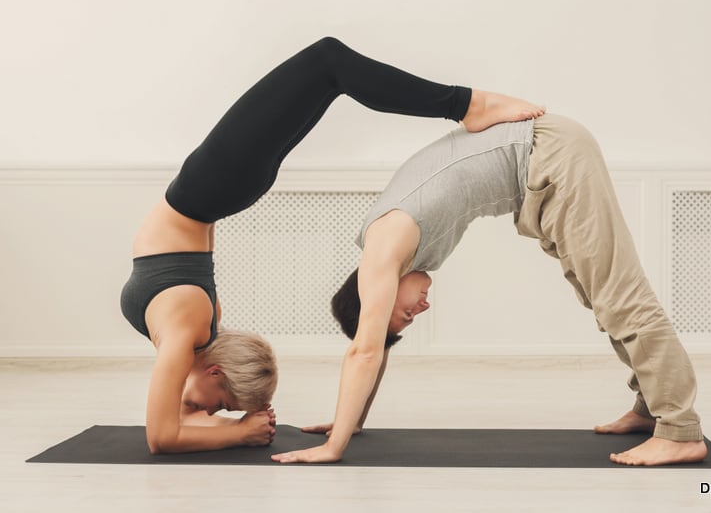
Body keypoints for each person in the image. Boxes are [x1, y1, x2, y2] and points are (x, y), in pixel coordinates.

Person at [120, 36, 541, 454]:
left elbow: (161, 437)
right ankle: (467, 105)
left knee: (328, 61)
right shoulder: (195, 334)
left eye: (221, 407)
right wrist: (226, 423)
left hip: (216, 186)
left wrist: (239, 432)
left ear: (216, 372)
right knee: (327, 67)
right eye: (222, 411)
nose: (212, 414)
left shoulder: (185, 333)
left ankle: (469, 106)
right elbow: (176, 421)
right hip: (215, 189)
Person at [271, 113, 707, 467]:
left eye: (405, 315)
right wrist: (352, 422)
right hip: (544, 162)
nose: (419, 310)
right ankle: (651, 407)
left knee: (621, 297)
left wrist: (335, 448)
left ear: (374, 296)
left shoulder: (384, 248)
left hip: (550, 155)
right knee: (603, 298)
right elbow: (376, 344)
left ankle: (680, 431)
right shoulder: (398, 256)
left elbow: (364, 351)